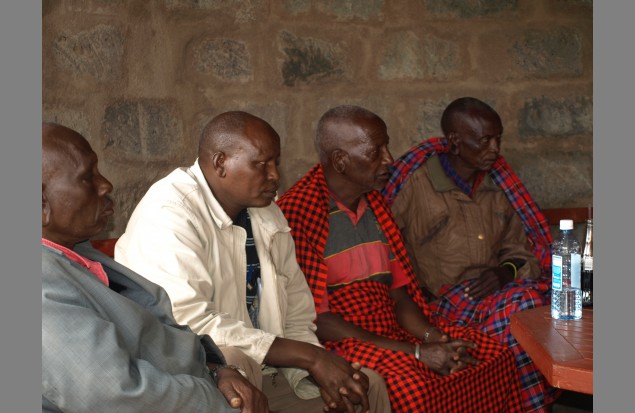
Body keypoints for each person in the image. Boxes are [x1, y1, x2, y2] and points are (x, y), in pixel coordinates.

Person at [115, 111, 390, 413]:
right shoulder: (170, 213)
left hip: (270, 372)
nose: (274, 175)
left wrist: (313, 374)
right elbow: (189, 324)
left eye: (276, 163)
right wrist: (310, 357)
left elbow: (297, 315)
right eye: (261, 164)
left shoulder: (266, 213)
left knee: (365, 386)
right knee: (232, 358)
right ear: (221, 163)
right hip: (198, 378)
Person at [276, 105, 524, 413]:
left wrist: (436, 338)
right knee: (413, 386)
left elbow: (399, 296)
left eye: (387, 146)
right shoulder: (298, 215)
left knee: (490, 356)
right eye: (376, 150)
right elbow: (319, 322)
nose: (389, 159)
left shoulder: (376, 207)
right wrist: (417, 352)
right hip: (341, 341)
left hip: (389, 330)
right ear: (340, 161)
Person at [41, 122, 269, 413]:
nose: (105, 185)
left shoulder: (76, 251)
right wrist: (218, 398)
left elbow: (156, 335)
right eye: (87, 177)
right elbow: (116, 395)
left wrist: (216, 369)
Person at [382, 96, 558, 412]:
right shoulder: (417, 186)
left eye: (498, 139)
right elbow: (385, 250)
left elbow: (524, 255)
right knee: (523, 317)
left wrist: (504, 272)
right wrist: (417, 300)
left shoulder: (497, 188)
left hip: (494, 300)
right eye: (485, 140)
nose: (495, 149)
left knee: (529, 308)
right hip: (438, 308)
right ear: (455, 142)